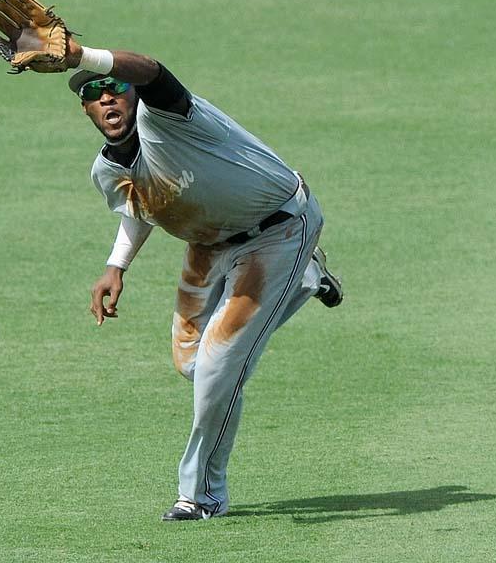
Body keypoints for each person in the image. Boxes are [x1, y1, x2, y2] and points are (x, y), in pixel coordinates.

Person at [63, 37, 343, 521]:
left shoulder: (170, 116)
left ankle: (200, 494)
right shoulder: (106, 171)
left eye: (116, 86)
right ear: (86, 109)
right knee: (192, 364)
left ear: (133, 94)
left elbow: (151, 69)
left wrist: (84, 57)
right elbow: (144, 203)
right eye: (94, 91)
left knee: (218, 367)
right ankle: (305, 279)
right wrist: (116, 265)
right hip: (210, 245)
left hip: (277, 230)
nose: (107, 96)